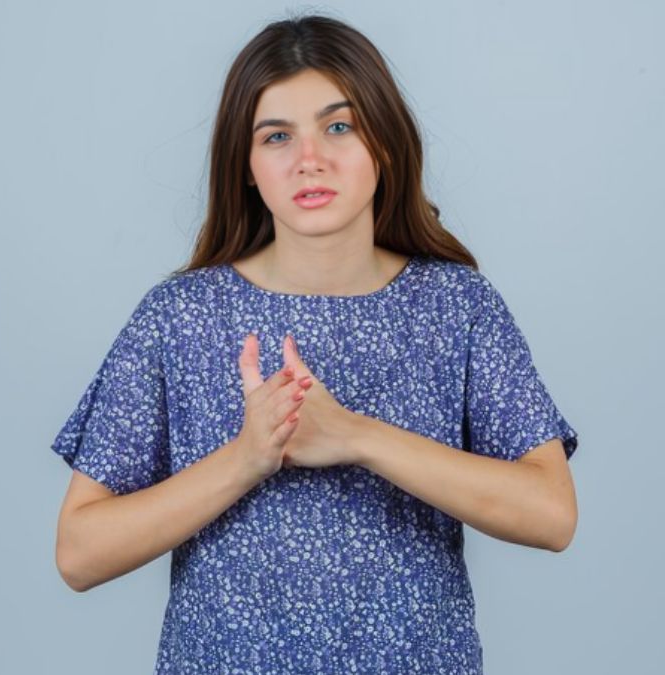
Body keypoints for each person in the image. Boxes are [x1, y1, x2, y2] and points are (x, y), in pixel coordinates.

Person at [49, 12, 579, 674]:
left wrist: (355, 435)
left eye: (339, 125)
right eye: (276, 136)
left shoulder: (458, 307)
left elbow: (552, 512)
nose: (310, 160)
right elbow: (79, 550)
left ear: (383, 141)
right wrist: (246, 457)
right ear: (244, 165)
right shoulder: (179, 317)